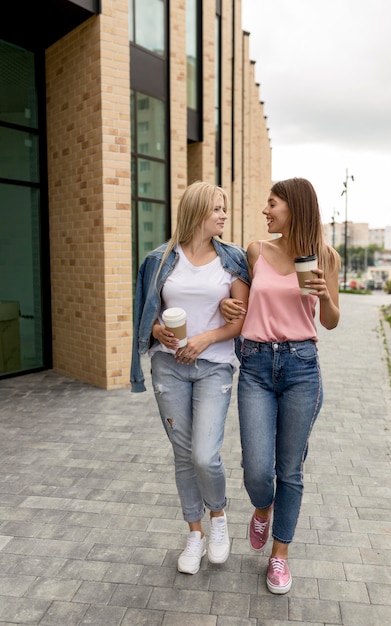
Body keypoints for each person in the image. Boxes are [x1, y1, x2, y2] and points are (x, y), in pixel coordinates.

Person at [221, 177, 340, 594]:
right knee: (257, 468)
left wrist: (325, 295)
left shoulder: (325, 257)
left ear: (294, 208)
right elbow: (240, 302)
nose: (265, 211)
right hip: (255, 365)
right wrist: (226, 304)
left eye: (272, 204)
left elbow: (330, 320)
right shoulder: (256, 251)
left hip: (301, 367)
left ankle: (280, 556)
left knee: (290, 470)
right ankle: (261, 506)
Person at [130, 181, 250, 575]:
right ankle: (194, 533)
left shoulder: (231, 260)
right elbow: (145, 314)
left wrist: (204, 339)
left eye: (224, 208)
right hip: (169, 367)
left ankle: (218, 518)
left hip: (214, 366)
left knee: (204, 454)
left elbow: (241, 320)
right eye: (217, 208)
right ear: (198, 211)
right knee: (183, 456)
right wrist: (156, 332)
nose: (224, 215)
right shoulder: (159, 260)